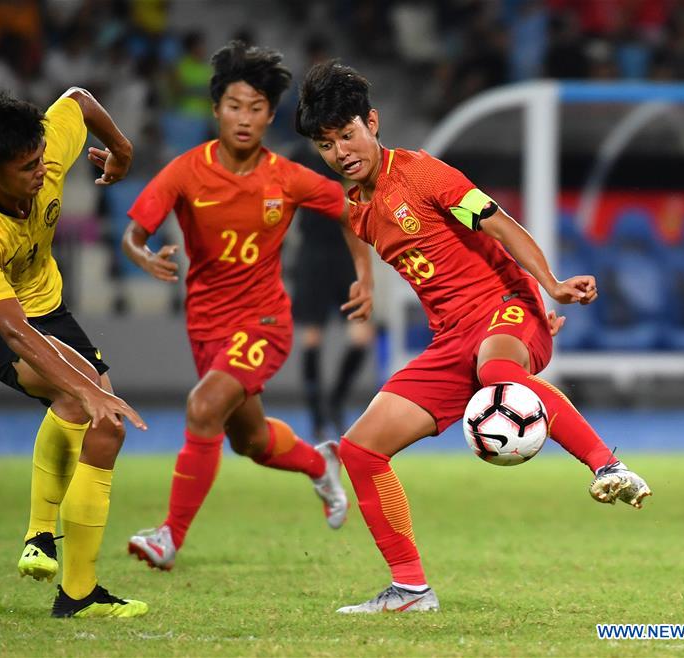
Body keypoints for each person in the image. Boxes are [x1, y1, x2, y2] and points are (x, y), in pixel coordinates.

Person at [295, 60, 652, 614]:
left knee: (498, 375)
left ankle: (608, 466)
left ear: (373, 122)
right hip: (450, 340)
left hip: (506, 309)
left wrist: (549, 289)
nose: (341, 151)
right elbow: (354, 228)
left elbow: (500, 224)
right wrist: (364, 282)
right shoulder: (360, 209)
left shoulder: (422, 173)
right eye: (326, 144)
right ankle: (411, 590)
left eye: (348, 134)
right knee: (360, 450)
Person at [122, 41, 373, 571]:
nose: (244, 118)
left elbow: (352, 210)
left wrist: (365, 277)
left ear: (270, 115)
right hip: (206, 326)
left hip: (264, 322)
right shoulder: (186, 172)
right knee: (250, 440)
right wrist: (143, 256)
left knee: (203, 406)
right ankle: (320, 461)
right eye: (234, 106)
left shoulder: (287, 177)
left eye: (256, 108)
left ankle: (170, 536)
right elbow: (133, 234)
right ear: (216, 109)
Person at [0, 88, 148, 618]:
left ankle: (62, 571)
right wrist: (83, 387)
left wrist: (121, 150)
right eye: (29, 166)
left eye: (41, 159)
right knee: (96, 409)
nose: (43, 170)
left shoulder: (44, 149)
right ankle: (60, 563)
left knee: (98, 418)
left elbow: (78, 100)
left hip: (48, 308)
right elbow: (13, 332)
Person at [291, 141, 375, 442]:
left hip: (346, 254)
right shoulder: (298, 158)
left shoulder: (350, 155)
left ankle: (335, 402)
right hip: (312, 255)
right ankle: (316, 418)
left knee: (362, 337)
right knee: (312, 338)